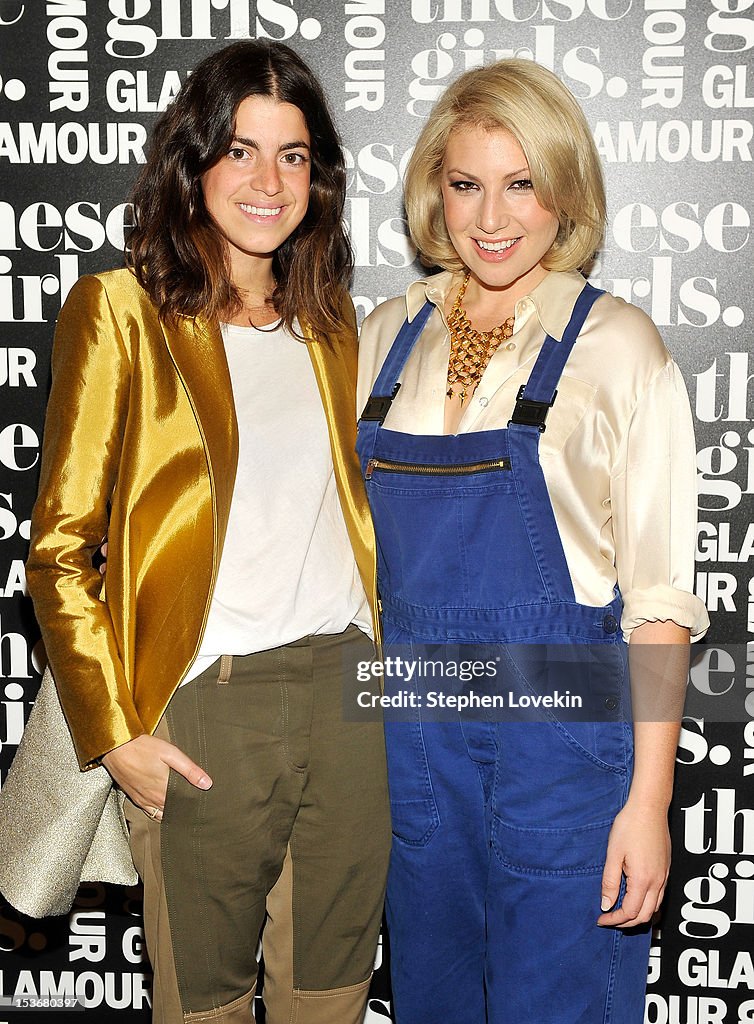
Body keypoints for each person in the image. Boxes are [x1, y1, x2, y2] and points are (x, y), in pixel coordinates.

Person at [23, 40, 390, 1024]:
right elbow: (59, 549)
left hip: (351, 699)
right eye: (240, 150)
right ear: (194, 162)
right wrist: (117, 736)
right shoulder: (121, 312)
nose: (267, 182)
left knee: (331, 999)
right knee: (205, 1008)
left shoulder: (337, 323)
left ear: (320, 179)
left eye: (294, 156)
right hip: (208, 707)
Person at [356, 59, 709, 1024]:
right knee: (431, 1001)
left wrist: (648, 802)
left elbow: (658, 600)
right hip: (414, 735)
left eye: (522, 182)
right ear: (436, 191)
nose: (490, 215)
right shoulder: (381, 338)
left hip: (565, 745)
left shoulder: (621, 346)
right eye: (466, 183)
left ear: (566, 194)